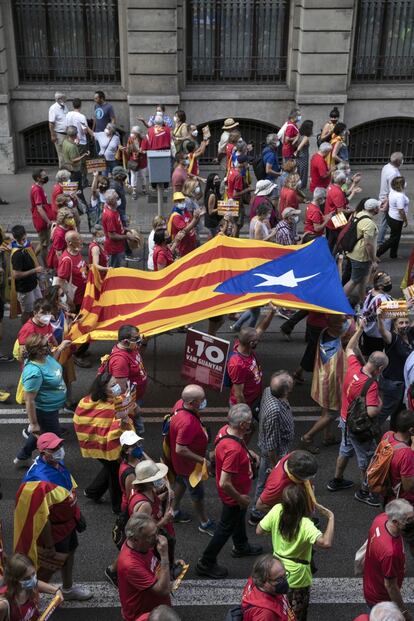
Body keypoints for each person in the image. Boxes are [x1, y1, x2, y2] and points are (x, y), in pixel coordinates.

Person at [14, 432, 92, 601]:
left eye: (59, 446)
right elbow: (43, 516)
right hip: (54, 531)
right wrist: (49, 545)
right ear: (43, 454)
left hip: (67, 523)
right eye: (54, 449)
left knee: (70, 552)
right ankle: (29, 602)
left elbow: (67, 490)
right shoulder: (39, 481)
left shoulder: (57, 463)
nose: (59, 450)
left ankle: (68, 588)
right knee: (48, 567)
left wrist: (76, 514)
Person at [196, 404, 262, 579]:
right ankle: (206, 562)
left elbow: (227, 449)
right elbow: (225, 482)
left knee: (238, 518)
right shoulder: (233, 450)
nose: (250, 424)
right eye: (248, 422)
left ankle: (241, 545)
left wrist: (249, 453)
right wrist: (240, 498)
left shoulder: (225, 430)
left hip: (238, 494)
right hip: (234, 496)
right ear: (242, 425)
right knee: (224, 528)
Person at [327, 320, 388, 505]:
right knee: (366, 458)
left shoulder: (353, 367)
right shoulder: (371, 385)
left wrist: (360, 329)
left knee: (344, 451)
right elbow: (371, 412)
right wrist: (380, 403)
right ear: (380, 369)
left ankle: (336, 480)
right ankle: (366, 491)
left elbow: (350, 347)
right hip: (358, 426)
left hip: (345, 420)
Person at [257, 485, 334, 621]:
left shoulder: (276, 510)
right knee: (297, 615)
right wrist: (331, 517)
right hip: (298, 577)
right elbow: (326, 542)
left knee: (279, 611)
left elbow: (259, 530)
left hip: (277, 571)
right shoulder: (305, 524)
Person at [73, 372, 137, 513]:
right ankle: (117, 506)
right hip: (104, 446)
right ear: (103, 388)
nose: (117, 387)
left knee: (110, 467)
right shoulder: (107, 405)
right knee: (115, 473)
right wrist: (122, 419)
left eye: (116, 383)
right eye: (113, 385)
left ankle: (93, 492)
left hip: (100, 445)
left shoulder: (89, 400)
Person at [13, 333, 70, 466]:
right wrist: (33, 424)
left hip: (51, 409)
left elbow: (52, 364)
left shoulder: (45, 357)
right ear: (38, 350)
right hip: (45, 411)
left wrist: (60, 348)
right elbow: (29, 400)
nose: (49, 345)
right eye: (46, 344)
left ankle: (22, 457)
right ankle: (51, 468)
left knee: (41, 433)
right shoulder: (34, 372)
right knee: (54, 442)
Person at [167, 384, 214, 534]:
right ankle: (204, 522)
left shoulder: (179, 404)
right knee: (197, 494)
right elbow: (180, 449)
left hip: (181, 465)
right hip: (190, 467)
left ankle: (173, 511)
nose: (204, 401)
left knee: (181, 482)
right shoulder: (187, 423)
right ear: (192, 402)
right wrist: (202, 460)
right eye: (202, 399)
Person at [249, 372, 295, 526]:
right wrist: (277, 465)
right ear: (286, 391)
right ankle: (257, 513)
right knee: (267, 481)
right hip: (274, 455)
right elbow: (271, 445)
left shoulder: (269, 391)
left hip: (275, 450)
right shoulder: (275, 412)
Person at [302, 314, 350, 453]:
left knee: (326, 409)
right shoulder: (337, 347)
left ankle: (327, 436)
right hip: (331, 383)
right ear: (336, 325)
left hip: (323, 380)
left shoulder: (325, 332)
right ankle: (307, 437)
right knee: (331, 413)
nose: (344, 324)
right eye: (342, 322)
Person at [363, 499, 413, 615]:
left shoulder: (381, 519)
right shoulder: (391, 553)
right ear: (396, 522)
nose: (412, 521)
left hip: (371, 586)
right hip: (381, 600)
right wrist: (403, 611)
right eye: (408, 520)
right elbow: (390, 586)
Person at [117, 514, 171, 621]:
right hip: (145, 615)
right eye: (151, 536)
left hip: (154, 607)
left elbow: (151, 563)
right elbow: (163, 590)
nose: (156, 539)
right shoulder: (130, 564)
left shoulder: (140, 545)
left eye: (156, 533)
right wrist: (165, 556)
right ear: (135, 539)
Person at [227, 307, 276, 418]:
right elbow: (238, 394)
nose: (259, 339)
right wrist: (246, 412)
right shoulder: (238, 364)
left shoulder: (242, 344)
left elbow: (261, 327)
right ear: (251, 343)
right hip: (244, 405)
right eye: (257, 339)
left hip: (253, 398)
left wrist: (272, 312)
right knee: (245, 431)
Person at [128, 461, 176, 569]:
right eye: (156, 478)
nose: (160, 479)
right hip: (149, 545)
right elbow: (141, 532)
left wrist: (166, 496)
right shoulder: (145, 505)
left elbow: (155, 502)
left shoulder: (148, 492)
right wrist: (164, 520)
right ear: (148, 482)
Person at [105, 324, 147, 435]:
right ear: (125, 341)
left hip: (136, 396)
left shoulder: (131, 348)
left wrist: (144, 343)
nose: (139, 341)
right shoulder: (120, 361)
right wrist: (134, 406)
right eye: (136, 339)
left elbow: (138, 357)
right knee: (136, 430)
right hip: (131, 402)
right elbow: (121, 390)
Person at [376, 309, 413, 430]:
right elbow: (382, 331)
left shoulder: (410, 335)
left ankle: (395, 433)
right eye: (401, 323)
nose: (404, 325)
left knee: (400, 411)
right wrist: (379, 318)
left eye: (406, 322)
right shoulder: (393, 338)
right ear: (395, 325)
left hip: (406, 384)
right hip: (393, 384)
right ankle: (369, 432)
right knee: (385, 411)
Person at [0, 552, 61, 621]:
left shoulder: (28, 587)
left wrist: (57, 591)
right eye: (26, 578)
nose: (33, 579)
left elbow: (36, 583)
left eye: (33, 573)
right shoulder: (3, 605)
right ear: (15, 580)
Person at [254, 450, 318, 516]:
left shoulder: (295, 456)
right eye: (310, 476)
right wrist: (288, 516)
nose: (312, 477)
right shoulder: (278, 486)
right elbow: (260, 505)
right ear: (296, 475)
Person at [343, 198, 381, 304]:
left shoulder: (359, 214)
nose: (379, 208)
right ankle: (338, 301)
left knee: (363, 279)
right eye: (377, 207)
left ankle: (363, 301)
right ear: (374, 209)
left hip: (355, 253)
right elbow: (368, 244)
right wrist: (373, 260)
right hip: (361, 257)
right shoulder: (369, 223)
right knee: (354, 280)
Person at [240, 554, 294, 621]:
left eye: (284, 576)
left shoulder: (256, 581)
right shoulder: (265, 615)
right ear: (264, 582)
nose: (284, 581)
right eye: (278, 579)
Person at [378, 410, 414, 508]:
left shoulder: (388, 435)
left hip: (387, 490)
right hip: (403, 501)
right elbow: (408, 487)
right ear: (411, 430)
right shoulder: (406, 454)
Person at [10, 225, 43, 323]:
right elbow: (16, 274)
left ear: (25, 234)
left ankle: (36, 325)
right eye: (20, 240)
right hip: (24, 288)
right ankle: (26, 329)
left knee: (39, 306)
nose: (22, 242)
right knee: (27, 312)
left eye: (23, 239)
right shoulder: (17, 254)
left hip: (33, 283)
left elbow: (33, 257)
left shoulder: (27, 245)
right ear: (15, 238)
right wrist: (34, 270)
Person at [360, 271, 394, 356]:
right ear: (379, 286)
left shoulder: (371, 292)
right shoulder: (380, 300)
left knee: (368, 354)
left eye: (390, 281)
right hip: (377, 335)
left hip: (368, 331)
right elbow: (391, 313)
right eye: (387, 282)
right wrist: (405, 307)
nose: (390, 284)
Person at [56, 231, 88, 313]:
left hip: (83, 295)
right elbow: (60, 282)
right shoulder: (66, 260)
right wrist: (69, 302)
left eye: (80, 238)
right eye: (77, 239)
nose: (81, 241)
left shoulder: (76, 251)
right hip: (75, 300)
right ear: (69, 243)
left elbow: (81, 268)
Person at [377, 176, 409, 259]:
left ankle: (393, 254)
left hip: (391, 216)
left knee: (396, 236)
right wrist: (405, 220)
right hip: (397, 219)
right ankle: (377, 254)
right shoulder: (399, 196)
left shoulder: (392, 191)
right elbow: (401, 210)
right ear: (401, 185)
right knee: (393, 238)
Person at [324, 170, 355, 251]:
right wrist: (352, 210)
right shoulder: (338, 192)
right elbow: (340, 211)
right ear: (342, 181)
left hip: (330, 217)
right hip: (336, 220)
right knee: (341, 238)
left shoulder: (331, 186)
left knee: (330, 240)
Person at [378, 152, 403, 246]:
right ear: (398, 161)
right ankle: (380, 242)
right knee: (385, 222)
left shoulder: (386, 166)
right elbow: (393, 189)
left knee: (384, 221)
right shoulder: (394, 173)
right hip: (388, 199)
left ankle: (380, 241)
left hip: (384, 197)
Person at [167, 191, 202, 258]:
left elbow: (192, 223)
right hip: (182, 249)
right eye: (179, 201)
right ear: (175, 203)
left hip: (190, 246)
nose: (182, 202)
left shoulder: (185, 211)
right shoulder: (175, 216)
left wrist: (197, 217)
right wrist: (195, 219)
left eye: (183, 200)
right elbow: (185, 230)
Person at [30, 169, 53, 265]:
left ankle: (31, 259)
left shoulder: (38, 187)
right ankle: (46, 266)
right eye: (44, 175)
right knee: (44, 245)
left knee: (43, 241)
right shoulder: (37, 190)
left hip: (41, 219)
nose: (46, 176)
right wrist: (48, 221)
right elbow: (39, 208)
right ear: (38, 178)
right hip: (42, 221)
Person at [102, 189, 129, 268]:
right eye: (117, 198)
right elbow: (112, 236)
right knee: (115, 270)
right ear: (112, 201)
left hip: (118, 247)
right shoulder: (110, 215)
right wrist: (127, 236)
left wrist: (124, 229)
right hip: (114, 249)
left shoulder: (111, 209)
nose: (119, 199)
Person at [61, 125, 89, 202]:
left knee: (71, 189)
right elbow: (74, 160)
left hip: (68, 168)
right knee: (78, 190)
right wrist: (83, 155)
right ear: (75, 134)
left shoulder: (65, 141)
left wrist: (76, 143)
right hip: (75, 169)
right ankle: (83, 205)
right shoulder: (72, 147)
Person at [66, 98, 89, 186]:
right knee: (82, 163)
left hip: (71, 141)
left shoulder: (68, 115)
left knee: (72, 161)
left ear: (73, 105)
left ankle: (73, 180)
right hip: (81, 142)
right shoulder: (81, 116)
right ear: (80, 105)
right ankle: (83, 181)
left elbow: (66, 127)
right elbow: (85, 131)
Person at [46, 207, 76, 272]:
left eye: (72, 217)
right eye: (69, 218)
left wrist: (74, 227)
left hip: (68, 254)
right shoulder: (59, 234)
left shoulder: (69, 226)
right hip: (62, 258)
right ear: (63, 219)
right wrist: (63, 265)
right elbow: (58, 253)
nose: (72, 219)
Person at [125, 126, 147, 198]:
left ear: (137, 133)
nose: (132, 134)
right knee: (134, 176)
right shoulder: (130, 139)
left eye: (133, 133)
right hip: (133, 160)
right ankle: (134, 191)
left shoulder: (143, 139)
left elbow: (147, 149)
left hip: (142, 160)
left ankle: (144, 188)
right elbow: (127, 151)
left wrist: (143, 151)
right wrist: (128, 149)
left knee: (143, 176)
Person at [48, 92, 68, 168]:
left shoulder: (64, 106)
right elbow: (51, 123)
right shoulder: (53, 108)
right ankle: (62, 174)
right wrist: (53, 135)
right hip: (59, 134)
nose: (66, 99)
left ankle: (67, 172)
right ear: (59, 99)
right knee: (62, 156)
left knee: (66, 154)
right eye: (64, 98)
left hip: (66, 134)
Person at [295, 120, 313, 189]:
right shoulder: (305, 137)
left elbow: (294, 142)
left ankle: (297, 186)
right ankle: (301, 187)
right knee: (303, 173)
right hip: (303, 156)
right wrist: (296, 151)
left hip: (298, 157)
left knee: (298, 171)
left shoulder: (299, 134)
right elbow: (300, 147)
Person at [204, 172, 222, 237]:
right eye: (216, 180)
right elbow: (210, 211)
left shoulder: (212, 192)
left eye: (219, 179)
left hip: (213, 222)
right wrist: (222, 207)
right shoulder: (212, 195)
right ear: (211, 182)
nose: (219, 181)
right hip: (212, 223)